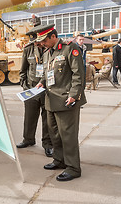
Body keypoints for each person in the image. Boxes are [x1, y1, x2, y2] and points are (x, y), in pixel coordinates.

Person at [33, 24, 87, 182]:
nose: (42, 43)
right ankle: (59, 160)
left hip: (66, 100)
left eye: (44, 40)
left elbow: (78, 74)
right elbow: (47, 72)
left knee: (68, 136)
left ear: (52, 36)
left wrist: (74, 95)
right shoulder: (48, 52)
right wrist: (41, 82)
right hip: (51, 100)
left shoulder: (70, 48)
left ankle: (73, 167)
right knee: (54, 134)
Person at [16, 32, 53, 157]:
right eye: (35, 42)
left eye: (38, 41)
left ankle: (48, 144)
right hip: (31, 89)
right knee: (29, 117)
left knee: (47, 119)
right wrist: (25, 86)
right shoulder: (28, 50)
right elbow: (23, 70)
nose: (37, 44)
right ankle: (28, 139)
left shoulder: (50, 49)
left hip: (46, 90)